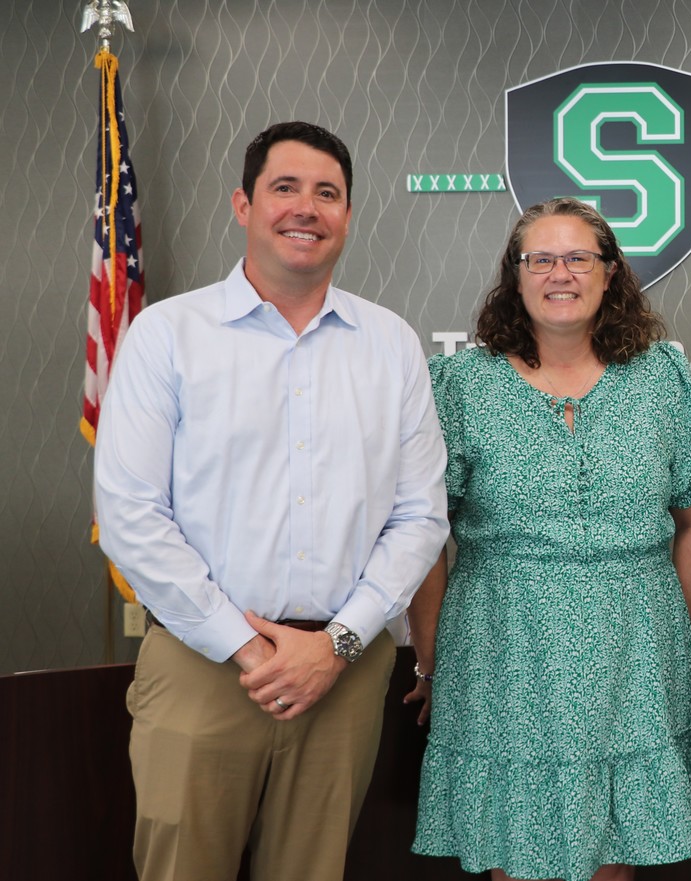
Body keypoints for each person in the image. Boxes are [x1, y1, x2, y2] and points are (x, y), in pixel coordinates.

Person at [94, 121, 449, 881]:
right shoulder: (168, 336)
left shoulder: (390, 344)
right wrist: (250, 648)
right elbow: (130, 514)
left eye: (328, 193)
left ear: (348, 215)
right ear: (243, 204)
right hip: (202, 666)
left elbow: (420, 515)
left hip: (343, 676)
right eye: (284, 188)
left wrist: (337, 646)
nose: (306, 208)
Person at [405, 197, 691, 881]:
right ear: (514, 278)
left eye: (579, 257)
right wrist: (431, 663)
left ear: (611, 274)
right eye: (540, 258)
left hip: (635, 652)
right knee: (516, 857)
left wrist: (683, 646)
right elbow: (425, 534)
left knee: (614, 861)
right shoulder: (459, 384)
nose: (560, 272)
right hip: (503, 650)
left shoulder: (661, 377)